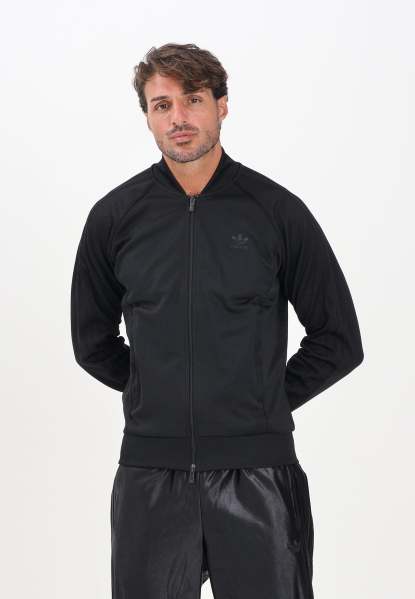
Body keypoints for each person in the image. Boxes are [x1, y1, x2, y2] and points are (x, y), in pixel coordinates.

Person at [70, 42, 364, 599]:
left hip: (259, 475)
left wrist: (261, 402)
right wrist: (155, 392)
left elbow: (339, 339)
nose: (178, 118)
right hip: (151, 473)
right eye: (162, 105)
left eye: (193, 100)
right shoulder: (114, 217)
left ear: (222, 106)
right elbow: (91, 341)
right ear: (147, 116)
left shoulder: (276, 212)